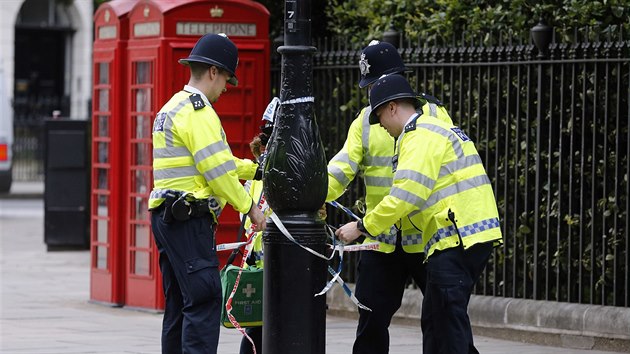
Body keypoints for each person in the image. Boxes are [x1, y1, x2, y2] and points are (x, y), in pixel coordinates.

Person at [335, 74, 503, 354]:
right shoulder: (434, 127)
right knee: (439, 319)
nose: (382, 128)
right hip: (464, 235)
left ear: (392, 108)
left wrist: (363, 226)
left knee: (446, 323)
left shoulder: (419, 135)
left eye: (379, 118)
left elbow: (406, 195)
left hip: (455, 236)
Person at [325, 40, 452, 354]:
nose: (371, 94)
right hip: (381, 237)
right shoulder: (365, 122)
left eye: (375, 85)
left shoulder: (433, 113)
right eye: (369, 87)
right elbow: (341, 169)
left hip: (425, 235)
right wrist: (313, 195)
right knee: (370, 318)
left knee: (444, 320)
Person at [148, 33, 266, 354]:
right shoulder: (200, 113)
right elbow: (216, 173)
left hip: (166, 216)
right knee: (204, 300)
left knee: (179, 305)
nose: (227, 86)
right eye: (227, 76)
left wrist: (255, 170)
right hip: (188, 220)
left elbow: (217, 161)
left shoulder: (173, 106)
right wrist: (251, 207)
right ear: (213, 71)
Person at [238, 104, 275, 354]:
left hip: (276, 266)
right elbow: (246, 216)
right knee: (256, 334)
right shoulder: (257, 177)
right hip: (262, 266)